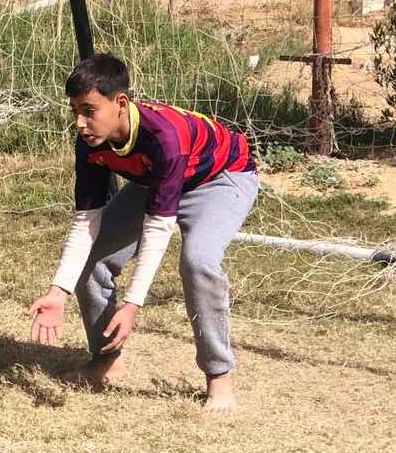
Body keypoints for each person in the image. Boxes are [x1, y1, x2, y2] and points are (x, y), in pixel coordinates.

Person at [27, 52, 259, 413]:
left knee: (198, 261)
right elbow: (86, 221)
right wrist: (58, 291)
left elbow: (158, 227)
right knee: (94, 260)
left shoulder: (163, 136)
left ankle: (219, 377)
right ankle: (106, 359)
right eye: (75, 110)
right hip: (156, 180)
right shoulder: (90, 142)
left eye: (89, 110)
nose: (80, 122)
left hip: (220, 178)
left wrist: (134, 304)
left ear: (120, 103)